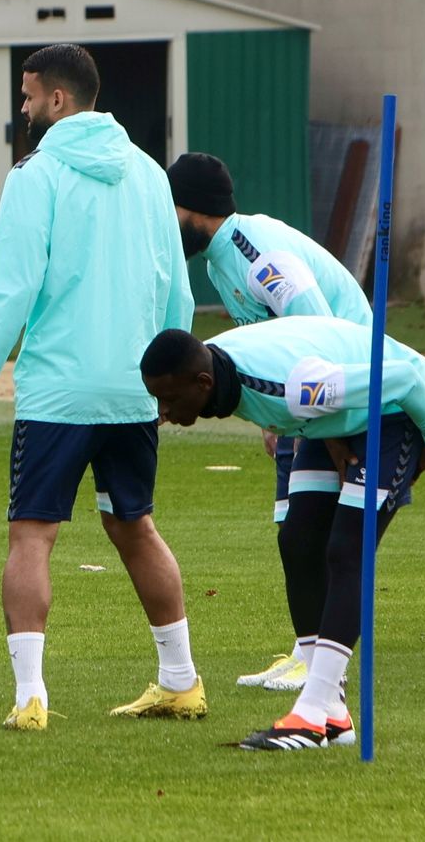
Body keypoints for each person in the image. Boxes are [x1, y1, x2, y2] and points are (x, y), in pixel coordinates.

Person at [0, 43, 198, 732]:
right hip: (134, 391)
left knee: (32, 535)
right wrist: (175, 388)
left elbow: (9, 290)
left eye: (27, 97)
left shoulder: (36, 176)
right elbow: (176, 286)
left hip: (59, 393)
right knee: (134, 524)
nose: (22, 109)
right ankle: (181, 679)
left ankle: (31, 694)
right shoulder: (149, 174)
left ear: (57, 100)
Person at [141, 317, 425, 750]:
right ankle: (334, 716)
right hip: (336, 417)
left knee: (347, 550)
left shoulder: (294, 389)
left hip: (398, 409)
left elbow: (404, 378)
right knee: (299, 540)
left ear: (203, 382)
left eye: (168, 399)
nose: (164, 413)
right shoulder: (215, 367)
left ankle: (310, 712)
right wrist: (332, 434)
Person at [170, 151, 373, 690]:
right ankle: (307, 654)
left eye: (170, 209)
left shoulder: (255, 252)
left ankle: (324, 669)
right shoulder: (218, 258)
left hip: (348, 392)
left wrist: (331, 427)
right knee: (295, 534)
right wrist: (276, 420)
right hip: (307, 404)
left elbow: (322, 331)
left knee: (322, 535)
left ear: (194, 210)